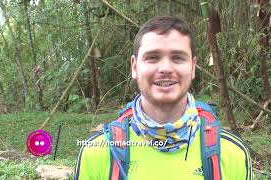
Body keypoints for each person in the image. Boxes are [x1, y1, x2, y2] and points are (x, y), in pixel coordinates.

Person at [75, 15, 253, 180]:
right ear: (134, 67)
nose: (165, 68)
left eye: (177, 58)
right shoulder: (97, 153)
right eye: (152, 57)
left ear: (193, 67)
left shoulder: (232, 154)